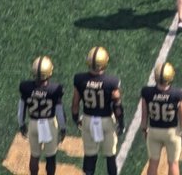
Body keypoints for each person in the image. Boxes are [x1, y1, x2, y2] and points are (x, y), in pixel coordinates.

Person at [72, 47, 123, 175]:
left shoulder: (80, 79)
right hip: (106, 120)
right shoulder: (112, 82)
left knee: (89, 156)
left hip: (88, 119)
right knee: (110, 156)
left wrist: (75, 118)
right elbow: (117, 105)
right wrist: (120, 122)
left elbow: (75, 103)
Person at [18, 56, 67, 175]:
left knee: (34, 155)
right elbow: (59, 111)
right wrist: (63, 127)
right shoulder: (55, 89)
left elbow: (21, 109)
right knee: (50, 157)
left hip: (33, 123)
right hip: (49, 124)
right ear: (49, 72)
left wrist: (21, 124)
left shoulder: (26, 87)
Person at [140, 62, 182, 175]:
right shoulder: (177, 94)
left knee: (153, 163)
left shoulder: (146, 92)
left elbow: (144, 114)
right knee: (173, 163)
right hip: (172, 133)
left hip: (154, 131)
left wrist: (144, 129)